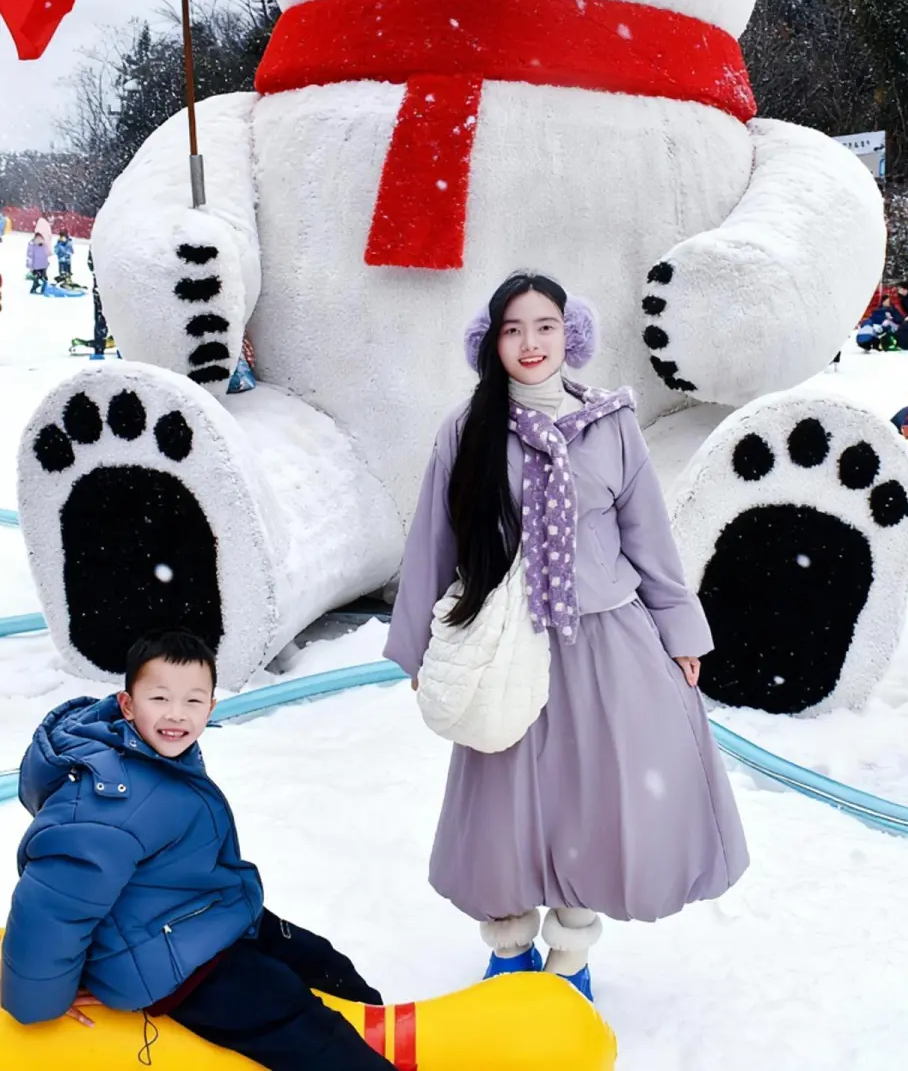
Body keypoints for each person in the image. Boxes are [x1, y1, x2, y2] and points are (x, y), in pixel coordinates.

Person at [386, 271, 747, 1002]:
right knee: (504, 804)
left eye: (545, 326)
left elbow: (648, 536)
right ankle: (509, 948)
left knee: (593, 800)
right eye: (513, 328)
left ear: (570, 334)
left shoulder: (610, 423)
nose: (531, 342)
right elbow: (434, 540)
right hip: (503, 643)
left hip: (605, 641)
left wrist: (680, 631)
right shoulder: (467, 428)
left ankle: (572, 955)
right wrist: (417, 644)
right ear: (491, 342)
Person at [0, 628, 390, 1070]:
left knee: (323, 961)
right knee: (293, 1018)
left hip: (203, 917)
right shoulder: (105, 802)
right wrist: (39, 999)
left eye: (192, 700)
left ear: (211, 707)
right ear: (128, 705)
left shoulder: (155, 755)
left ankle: (386, 1034)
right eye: (159, 698)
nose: (176, 714)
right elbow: (51, 905)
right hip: (166, 964)